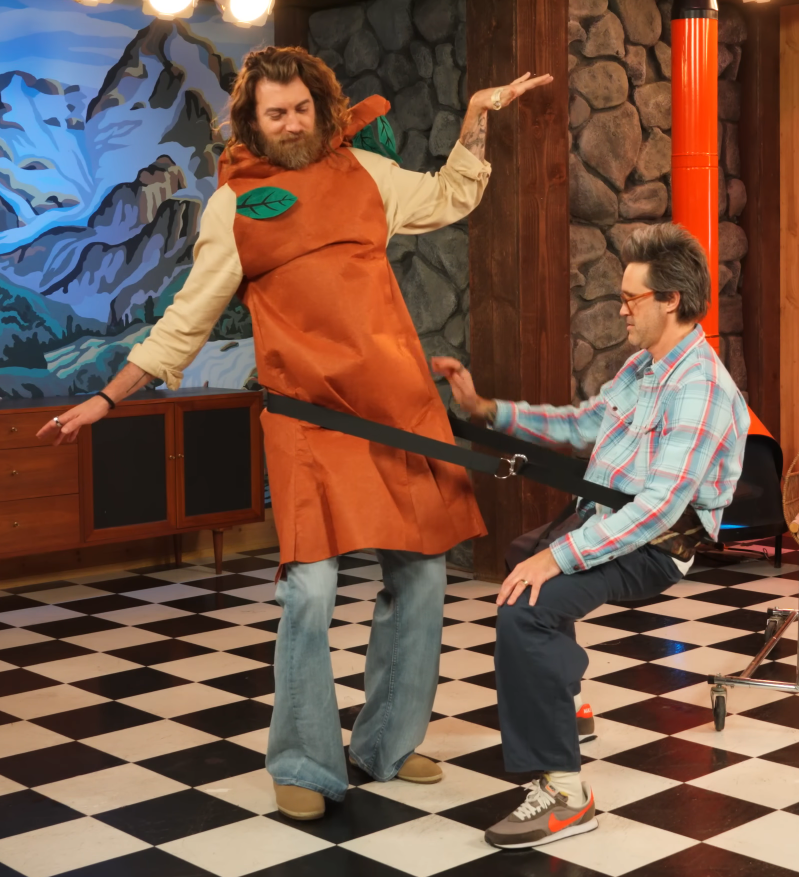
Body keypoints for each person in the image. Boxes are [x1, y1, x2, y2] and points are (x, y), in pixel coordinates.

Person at [37, 46, 553, 822]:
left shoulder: (366, 175)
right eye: (274, 113)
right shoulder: (232, 207)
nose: (290, 123)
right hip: (310, 421)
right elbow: (187, 318)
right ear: (251, 120)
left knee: (421, 577)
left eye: (301, 109)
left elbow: (449, 195)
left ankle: (386, 742)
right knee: (309, 591)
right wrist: (108, 398)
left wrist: (477, 118)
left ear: (321, 109)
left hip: (398, 413)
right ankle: (305, 758)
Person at [433, 223, 749, 849]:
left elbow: (658, 511)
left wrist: (560, 557)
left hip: (656, 546)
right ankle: (565, 704)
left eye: (631, 298)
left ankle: (566, 796)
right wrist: (485, 410)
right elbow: (582, 425)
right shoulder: (643, 367)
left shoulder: (702, 388)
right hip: (605, 518)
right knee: (521, 558)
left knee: (527, 606)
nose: (621, 309)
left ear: (671, 301)